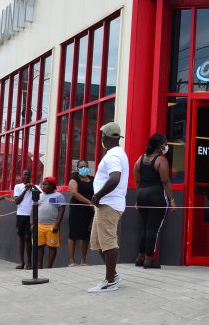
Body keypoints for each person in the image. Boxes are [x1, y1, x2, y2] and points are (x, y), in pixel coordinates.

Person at [87, 122, 129, 293]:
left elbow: (114, 178)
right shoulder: (117, 153)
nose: (101, 138)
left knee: (108, 242)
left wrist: (98, 195)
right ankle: (114, 275)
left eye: (102, 135)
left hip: (108, 204)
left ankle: (110, 281)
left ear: (105, 137)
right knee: (97, 242)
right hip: (106, 204)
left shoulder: (113, 156)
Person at [133, 133, 176, 269]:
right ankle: (149, 260)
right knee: (153, 229)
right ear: (159, 146)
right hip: (156, 196)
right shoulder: (161, 160)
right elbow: (165, 181)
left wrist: (137, 200)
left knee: (145, 227)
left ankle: (140, 258)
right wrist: (172, 200)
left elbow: (138, 182)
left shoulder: (139, 160)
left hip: (142, 195)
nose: (166, 146)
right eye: (165, 144)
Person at [68, 159, 94, 266]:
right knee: (73, 234)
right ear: (77, 168)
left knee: (86, 235)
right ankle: (71, 261)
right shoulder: (74, 179)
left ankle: (83, 260)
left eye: (86, 166)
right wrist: (89, 202)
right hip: (77, 209)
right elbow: (74, 192)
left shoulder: (93, 179)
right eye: (81, 167)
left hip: (89, 211)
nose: (84, 168)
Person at [13, 169, 40, 269]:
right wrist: (25, 190)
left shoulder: (35, 187)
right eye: (24, 175)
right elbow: (17, 201)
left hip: (31, 216)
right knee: (21, 238)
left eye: (28, 175)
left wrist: (32, 187)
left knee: (28, 238)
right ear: (22, 176)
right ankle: (22, 262)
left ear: (31, 176)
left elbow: (41, 195)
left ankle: (29, 262)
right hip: (20, 215)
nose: (26, 176)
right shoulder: (18, 186)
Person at [36, 176, 65, 269]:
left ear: (52, 186)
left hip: (52, 226)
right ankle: (39, 268)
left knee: (52, 247)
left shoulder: (59, 196)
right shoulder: (39, 195)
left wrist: (57, 224)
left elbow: (62, 209)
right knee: (39, 247)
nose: (43, 186)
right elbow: (33, 209)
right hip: (39, 225)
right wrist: (32, 223)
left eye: (45, 184)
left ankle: (49, 268)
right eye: (42, 184)